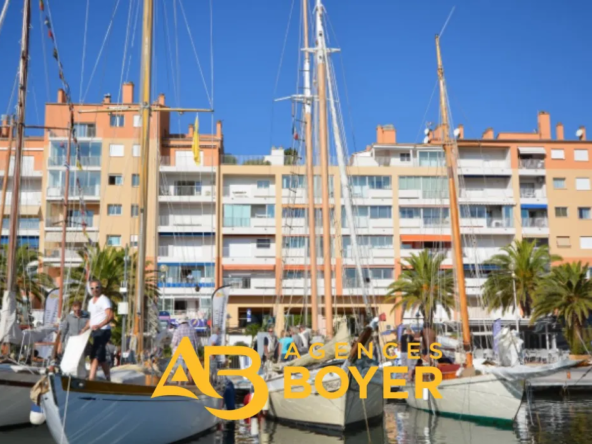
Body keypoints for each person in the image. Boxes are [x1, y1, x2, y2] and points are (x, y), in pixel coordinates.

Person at [81, 279, 114, 381]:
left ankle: (91, 378)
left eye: (97, 287)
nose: (95, 290)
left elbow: (110, 316)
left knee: (94, 355)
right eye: (92, 288)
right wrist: (84, 329)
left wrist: (99, 325)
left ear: (101, 288)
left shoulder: (104, 300)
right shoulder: (90, 302)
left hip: (103, 330)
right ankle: (108, 378)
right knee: (101, 357)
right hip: (95, 331)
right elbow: (91, 319)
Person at [172, 316, 200, 383]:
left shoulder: (177, 330)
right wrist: (196, 351)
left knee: (180, 370)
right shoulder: (192, 329)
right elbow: (196, 342)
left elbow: (174, 342)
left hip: (180, 354)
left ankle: (180, 385)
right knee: (190, 370)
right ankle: (190, 384)